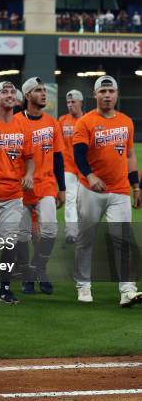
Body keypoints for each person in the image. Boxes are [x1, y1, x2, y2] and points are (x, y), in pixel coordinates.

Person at [72, 75, 142, 306]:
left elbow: (130, 155)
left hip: (120, 189)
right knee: (86, 239)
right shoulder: (85, 122)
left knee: (123, 239)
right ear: (95, 95)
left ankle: (127, 290)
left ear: (117, 94)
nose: (107, 95)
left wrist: (136, 185)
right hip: (91, 191)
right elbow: (79, 154)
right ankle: (83, 285)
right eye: (102, 92)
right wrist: (90, 176)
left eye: (111, 91)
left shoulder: (126, 121)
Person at [0, 81, 35, 305]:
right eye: (4, 91)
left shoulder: (23, 125)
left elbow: (30, 157)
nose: (10, 94)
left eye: (13, 92)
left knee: (10, 242)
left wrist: (30, 174)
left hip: (13, 194)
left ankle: (4, 288)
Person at [14, 77, 66, 295]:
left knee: (50, 229)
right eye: (38, 90)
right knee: (23, 236)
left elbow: (58, 157)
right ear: (27, 95)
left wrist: (62, 188)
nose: (44, 94)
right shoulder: (16, 121)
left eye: (44, 90)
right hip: (20, 188)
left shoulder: (52, 122)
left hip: (46, 184)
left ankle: (40, 268)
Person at [59, 90, 84, 244]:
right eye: (68, 102)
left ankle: (82, 230)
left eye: (73, 102)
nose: (70, 105)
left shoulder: (88, 120)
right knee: (70, 199)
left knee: (83, 202)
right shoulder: (62, 120)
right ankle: (71, 232)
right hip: (68, 167)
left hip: (85, 168)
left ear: (81, 102)